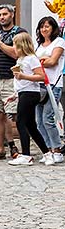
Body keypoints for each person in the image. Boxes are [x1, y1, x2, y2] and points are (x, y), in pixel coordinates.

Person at [0, 4, 28, 160]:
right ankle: (0, 150)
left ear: (12, 14)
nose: (2, 17)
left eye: (5, 14)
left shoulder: (19, 32)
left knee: (14, 115)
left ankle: (21, 149)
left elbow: (17, 54)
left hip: (12, 79)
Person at [9, 33, 50, 166]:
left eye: (15, 45)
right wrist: (15, 94)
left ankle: (26, 155)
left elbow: (41, 76)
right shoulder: (20, 60)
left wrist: (24, 76)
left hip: (30, 93)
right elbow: (21, 82)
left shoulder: (31, 58)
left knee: (21, 121)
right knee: (31, 125)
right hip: (23, 92)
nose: (13, 47)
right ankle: (47, 153)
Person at [35, 16, 65, 164]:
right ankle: (47, 149)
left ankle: (57, 149)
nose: (44, 29)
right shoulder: (39, 45)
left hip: (53, 84)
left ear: (53, 28)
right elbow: (35, 63)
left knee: (48, 119)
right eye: (41, 27)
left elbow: (53, 61)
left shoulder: (59, 42)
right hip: (38, 85)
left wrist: (42, 61)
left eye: (47, 26)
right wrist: (43, 60)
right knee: (39, 121)